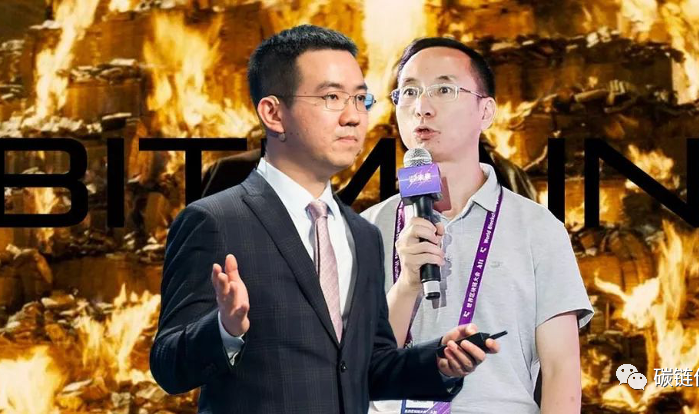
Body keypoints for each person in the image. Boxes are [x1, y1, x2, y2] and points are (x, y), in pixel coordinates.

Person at [150, 26, 500, 414]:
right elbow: (167, 365)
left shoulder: (362, 234)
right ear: (273, 113)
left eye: (360, 99)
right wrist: (225, 329)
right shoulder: (214, 220)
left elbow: (368, 368)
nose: (353, 117)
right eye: (331, 97)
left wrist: (438, 362)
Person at [362, 37, 594, 414]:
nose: (422, 107)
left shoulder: (538, 229)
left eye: (444, 89)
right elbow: (355, 366)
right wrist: (406, 284)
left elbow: (561, 371)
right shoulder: (366, 229)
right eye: (409, 92)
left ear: (485, 112)